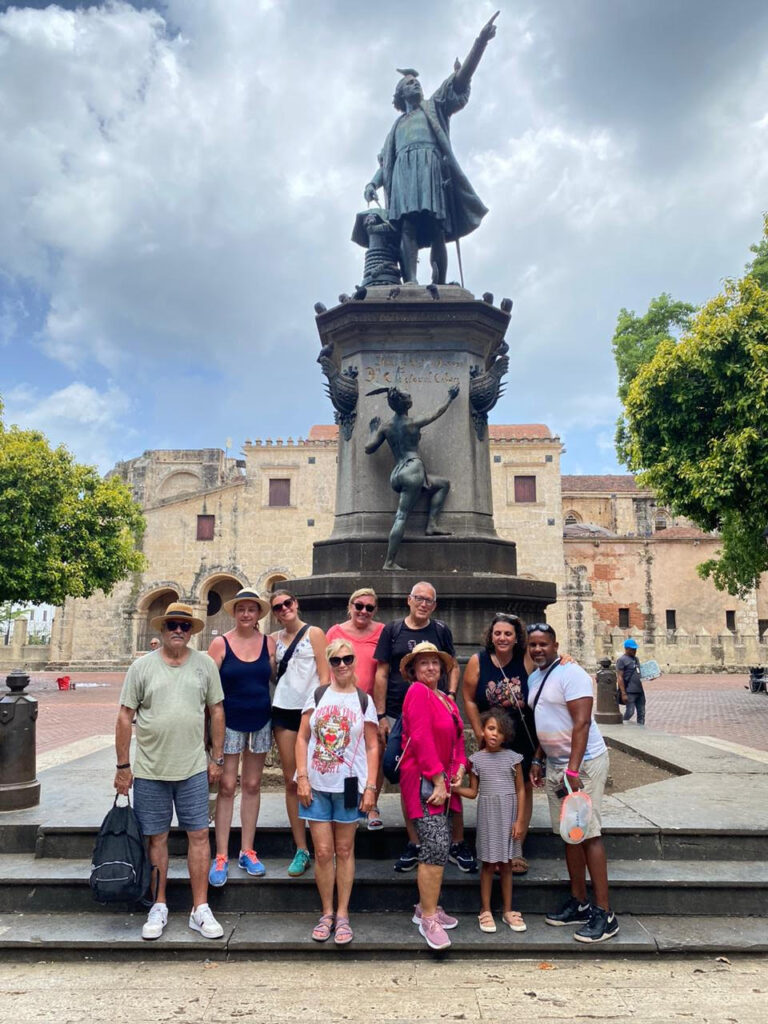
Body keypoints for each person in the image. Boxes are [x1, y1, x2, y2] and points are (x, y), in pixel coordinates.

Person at [114, 602, 225, 942]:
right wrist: (122, 766)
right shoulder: (142, 668)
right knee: (156, 837)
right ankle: (159, 903)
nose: (178, 630)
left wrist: (216, 757)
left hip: (192, 767)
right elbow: (124, 716)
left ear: (192, 631)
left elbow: (216, 711)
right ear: (161, 630)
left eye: (185, 626)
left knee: (199, 836)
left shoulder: (204, 665)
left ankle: (199, 907)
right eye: (172, 625)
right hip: (150, 770)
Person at [363, 13, 498, 284]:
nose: (416, 85)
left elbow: (460, 80)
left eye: (417, 83)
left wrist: (480, 42)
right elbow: (385, 165)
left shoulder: (433, 107)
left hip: (430, 167)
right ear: (401, 95)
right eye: (409, 84)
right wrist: (373, 183)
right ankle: (411, 281)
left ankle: (439, 283)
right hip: (403, 173)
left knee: (437, 227)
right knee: (407, 227)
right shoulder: (396, 127)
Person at [526, 624, 619, 943]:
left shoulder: (573, 673)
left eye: (543, 644)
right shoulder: (535, 677)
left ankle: (605, 914)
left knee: (589, 834)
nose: (538, 649)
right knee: (571, 835)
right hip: (556, 763)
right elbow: (544, 720)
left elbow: (581, 722)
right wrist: (539, 758)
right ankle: (579, 902)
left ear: (555, 644)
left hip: (584, 764)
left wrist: (574, 769)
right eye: (533, 644)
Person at [374, 581, 474, 873]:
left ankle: (454, 841)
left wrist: (451, 696)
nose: (423, 604)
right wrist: (381, 714)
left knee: (439, 773)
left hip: (439, 709)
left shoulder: (440, 630)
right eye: (419, 598)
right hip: (396, 711)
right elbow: (381, 673)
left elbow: (453, 665)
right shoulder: (393, 630)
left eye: (429, 600)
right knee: (409, 774)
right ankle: (415, 841)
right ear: (409, 600)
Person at [295, 639, 379, 945]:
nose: (342, 665)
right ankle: (326, 911)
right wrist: (301, 776)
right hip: (317, 784)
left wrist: (370, 786)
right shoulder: (317, 695)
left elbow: (372, 745)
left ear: (355, 661)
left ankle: (343, 913)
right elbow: (303, 738)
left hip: (348, 785)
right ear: (329, 664)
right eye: (336, 660)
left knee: (344, 850)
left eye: (347, 659)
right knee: (322, 852)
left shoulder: (363, 700)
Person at [398, 642, 467, 950]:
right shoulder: (417, 693)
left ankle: (426, 906)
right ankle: (428, 917)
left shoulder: (444, 699)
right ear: (414, 670)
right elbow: (422, 738)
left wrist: (461, 766)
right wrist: (438, 779)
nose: (430, 668)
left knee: (437, 845)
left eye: (434, 663)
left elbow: (458, 737)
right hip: (426, 783)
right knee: (436, 845)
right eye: (423, 663)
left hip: (444, 783)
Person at [207, 589, 275, 887]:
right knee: (226, 785)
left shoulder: (268, 643)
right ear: (234, 612)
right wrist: (209, 737)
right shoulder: (220, 644)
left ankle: (247, 849)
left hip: (260, 720)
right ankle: (221, 853)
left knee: (251, 785)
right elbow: (208, 689)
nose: (246, 614)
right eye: (241, 609)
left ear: (259, 613)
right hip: (230, 722)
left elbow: (274, 678)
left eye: (252, 609)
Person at [461, 612, 537, 874]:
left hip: (522, 735)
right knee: (493, 788)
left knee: (521, 787)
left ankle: (517, 849)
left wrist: (567, 660)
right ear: (490, 636)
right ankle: (493, 847)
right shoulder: (478, 661)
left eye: (508, 634)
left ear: (517, 638)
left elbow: (549, 664)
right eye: (498, 633)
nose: (502, 638)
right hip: (493, 735)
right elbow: (469, 697)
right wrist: (479, 729)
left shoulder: (525, 659)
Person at [364, 384, 459, 570]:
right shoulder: (413, 423)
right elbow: (437, 412)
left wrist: (372, 430)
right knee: (401, 516)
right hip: (413, 468)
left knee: (442, 484)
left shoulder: (385, 427)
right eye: (409, 398)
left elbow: (368, 448)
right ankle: (389, 562)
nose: (411, 399)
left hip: (397, 473)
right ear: (406, 404)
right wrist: (450, 397)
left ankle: (431, 525)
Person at [270, 588, 329, 877]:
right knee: (291, 779)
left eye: (287, 603)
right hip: (283, 709)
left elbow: (325, 674)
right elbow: (274, 675)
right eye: (278, 607)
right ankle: (301, 847)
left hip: (312, 711)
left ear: (296, 603)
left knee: (317, 777)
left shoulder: (314, 633)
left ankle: (321, 843)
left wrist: (321, 709)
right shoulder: (274, 641)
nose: (284, 609)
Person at [452, 710, 526, 933]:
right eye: (491, 728)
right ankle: (485, 910)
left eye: (500, 731)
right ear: (483, 731)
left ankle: (507, 910)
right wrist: (455, 790)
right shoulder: (476, 760)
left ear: (506, 735)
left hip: (509, 814)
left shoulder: (514, 758)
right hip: (488, 814)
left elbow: (521, 789)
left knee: (506, 865)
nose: (495, 734)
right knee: (487, 864)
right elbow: (474, 791)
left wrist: (520, 820)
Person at [326, 587, 385, 829]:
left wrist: (381, 713)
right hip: (342, 702)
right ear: (350, 606)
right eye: (358, 606)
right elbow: (326, 667)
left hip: (369, 703)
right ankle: (349, 806)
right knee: (346, 755)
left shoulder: (382, 631)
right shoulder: (335, 632)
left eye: (369, 608)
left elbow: (383, 671)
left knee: (375, 752)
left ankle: (371, 804)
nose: (363, 611)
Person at [617, 638, 645, 725]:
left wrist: (649, 677)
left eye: (635, 649)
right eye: (632, 649)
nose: (634, 651)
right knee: (630, 712)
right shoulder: (622, 660)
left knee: (642, 712)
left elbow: (639, 673)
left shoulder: (636, 659)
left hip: (639, 690)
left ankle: (641, 729)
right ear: (626, 649)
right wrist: (623, 693)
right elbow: (620, 677)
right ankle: (621, 725)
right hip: (629, 691)